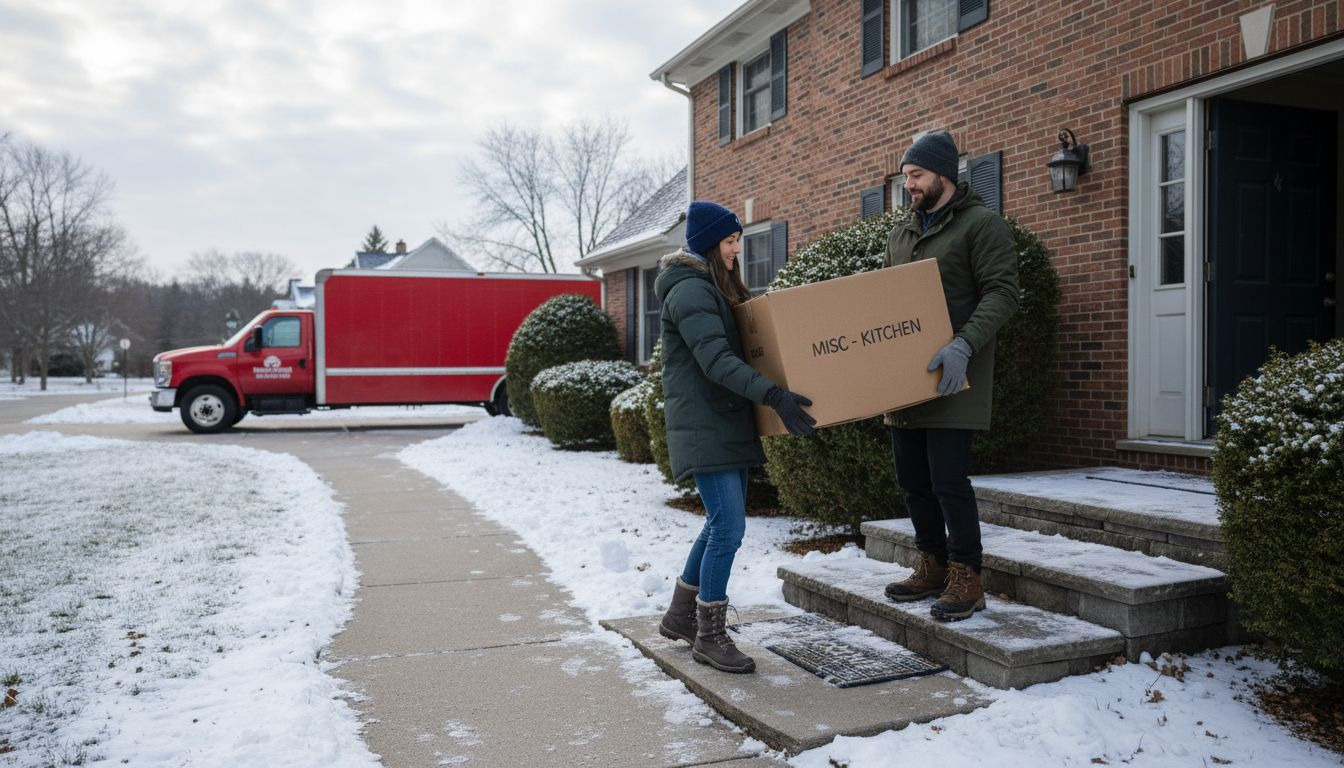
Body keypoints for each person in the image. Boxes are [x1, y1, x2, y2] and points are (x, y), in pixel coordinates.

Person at [654, 200, 817, 674]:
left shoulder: (704, 287)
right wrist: (774, 395)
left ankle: (681, 616)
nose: (735, 251)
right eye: (729, 241)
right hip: (708, 426)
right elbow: (716, 361)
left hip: (720, 421)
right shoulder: (690, 291)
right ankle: (709, 635)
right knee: (728, 527)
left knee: (719, 523)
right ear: (709, 243)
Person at [881, 131, 1019, 622]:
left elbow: (1003, 292)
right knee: (913, 480)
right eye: (905, 178)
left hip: (954, 379)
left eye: (916, 176)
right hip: (905, 381)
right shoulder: (901, 233)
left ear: (943, 173)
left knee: (947, 480)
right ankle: (932, 564)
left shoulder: (982, 226)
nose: (909, 186)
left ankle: (967, 574)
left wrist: (964, 344)